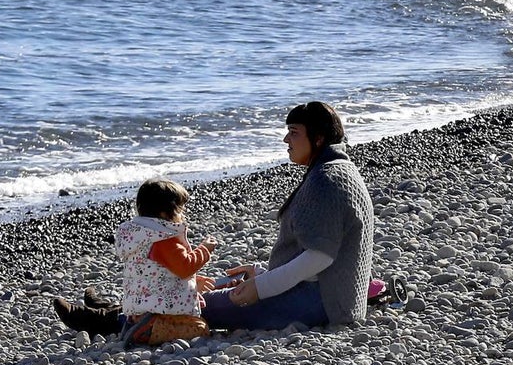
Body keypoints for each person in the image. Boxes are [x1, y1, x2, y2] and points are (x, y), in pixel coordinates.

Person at [53, 101, 374, 336]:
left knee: (193, 303)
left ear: (317, 139)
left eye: (293, 132)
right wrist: (263, 272)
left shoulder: (327, 179)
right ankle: (116, 309)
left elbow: (320, 256)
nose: (286, 140)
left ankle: (102, 321)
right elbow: (322, 255)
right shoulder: (336, 170)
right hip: (326, 295)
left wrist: (260, 288)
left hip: (320, 303)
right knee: (202, 289)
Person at [53, 177, 218, 344]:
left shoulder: (140, 235)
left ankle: (100, 308)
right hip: (158, 311)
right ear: (164, 213)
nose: (183, 215)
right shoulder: (164, 239)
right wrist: (205, 249)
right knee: (200, 328)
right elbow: (184, 267)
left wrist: (193, 282)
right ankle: (141, 330)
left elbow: (157, 272)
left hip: (138, 304)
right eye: (181, 210)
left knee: (130, 311)